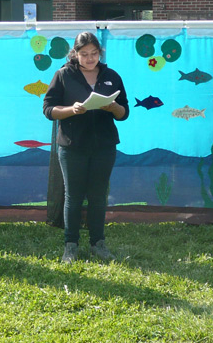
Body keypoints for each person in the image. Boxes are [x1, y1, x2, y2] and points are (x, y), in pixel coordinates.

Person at [43, 32, 129, 263]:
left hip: (104, 145)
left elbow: (124, 113)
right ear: (75, 54)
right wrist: (72, 109)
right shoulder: (63, 75)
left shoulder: (112, 76)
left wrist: (112, 108)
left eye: (94, 54)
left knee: (98, 195)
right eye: (84, 54)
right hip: (72, 146)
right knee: (73, 196)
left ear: (100, 53)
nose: (90, 59)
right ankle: (70, 246)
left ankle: (98, 243)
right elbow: (49, 110)